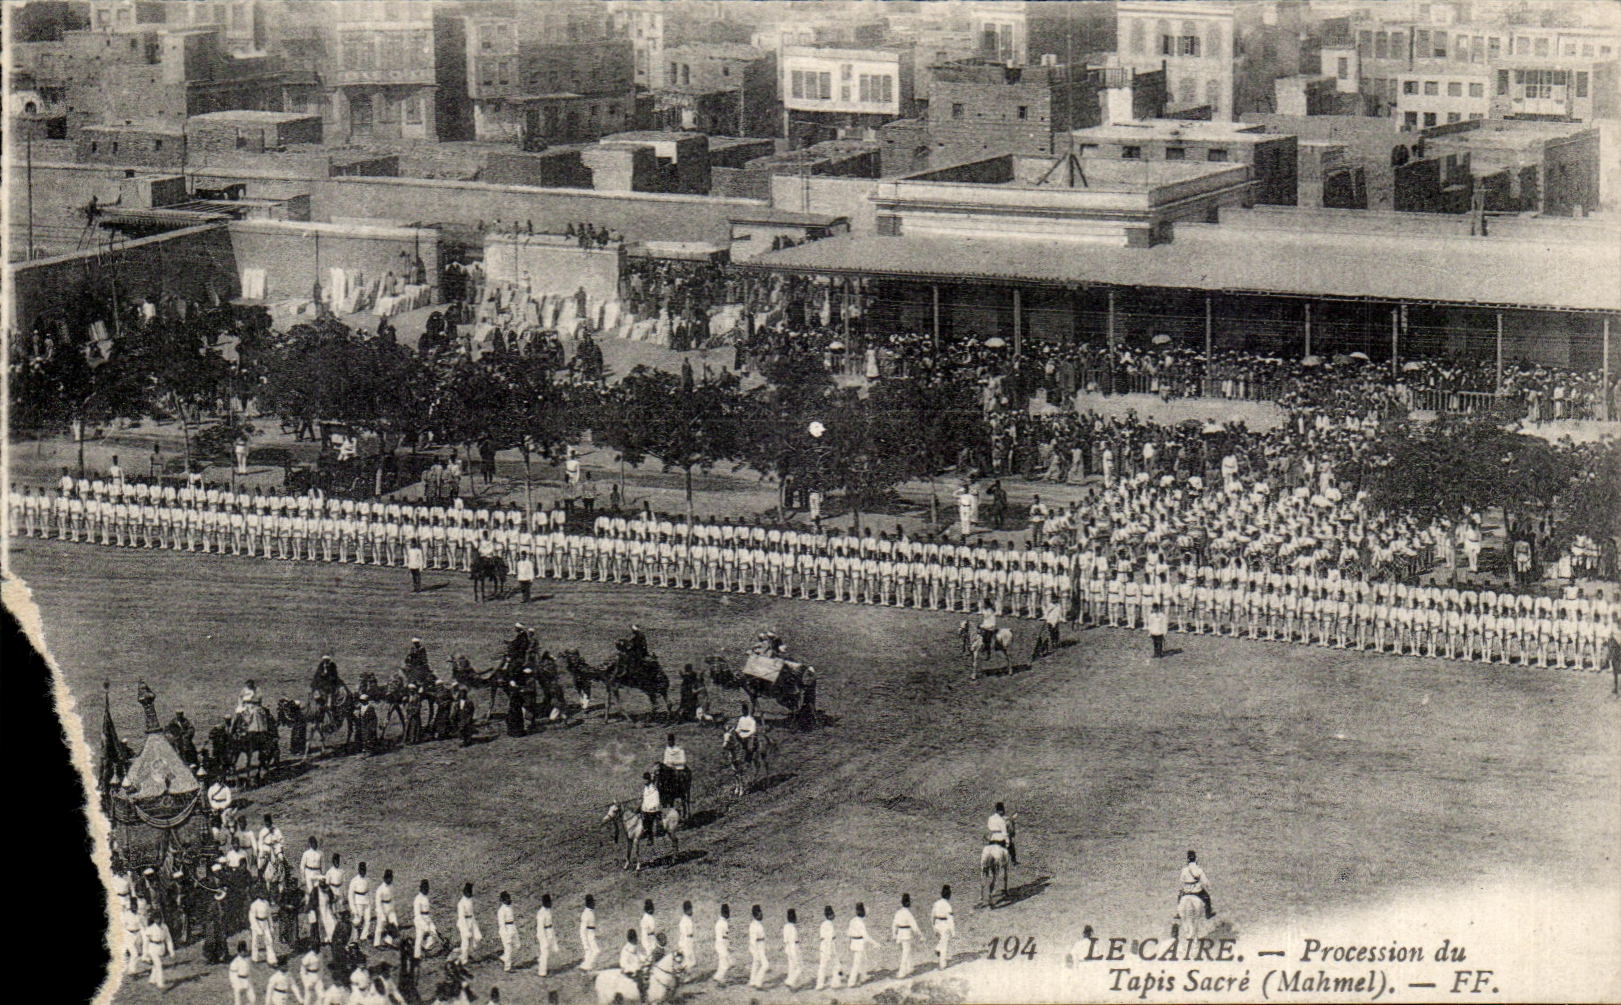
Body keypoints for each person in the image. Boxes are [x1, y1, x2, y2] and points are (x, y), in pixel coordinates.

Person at [1181, 850, 1215, 919]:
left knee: (1179, 896)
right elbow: (1205, 882)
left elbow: (1182, 880)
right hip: (1197, 892)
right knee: (1207, 898)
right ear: (1196, 859)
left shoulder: (1184, 870)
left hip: (1186, 891)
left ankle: (1178, 913)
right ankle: (1208, 914)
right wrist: (1208, 886)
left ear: (1187, 859)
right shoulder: (1199, 869)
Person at [892, 893, 918, 979]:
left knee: (906, 950)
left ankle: (909, 968)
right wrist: (920, 935)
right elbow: (914, 926)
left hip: (900, 934)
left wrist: (894, 934)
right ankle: (901, 972)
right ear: (909, 903)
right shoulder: (908, 913)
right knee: (906, 952)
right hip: (906, 934)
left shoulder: (898, 913)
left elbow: (894, 924)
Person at [456, 883, 483, 965]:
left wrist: (475, 926)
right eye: (468, 892)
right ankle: (464, 960)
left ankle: (469, 953)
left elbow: (472, 914)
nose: (470, 893)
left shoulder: (470, 900)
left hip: (471, 921)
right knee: (465, 942)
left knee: (478, 938)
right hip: (463, 923)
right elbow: (461, 918)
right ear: (465, 892)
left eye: (470, 891)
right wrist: (466, 930)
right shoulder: (461, 903)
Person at [931, 885, 955, 972]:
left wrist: (933, 926)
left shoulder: (936, 903)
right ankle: (942, 965)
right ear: (949, 895)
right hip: (944, 924)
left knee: (942, 940)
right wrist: (953, 931)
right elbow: (950, 919)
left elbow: (932, 916)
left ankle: (938, 948)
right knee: (944, 944)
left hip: (937, 923)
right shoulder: (948, 906)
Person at [846, 902, 869, 988]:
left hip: (854, 943)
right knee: (857, 963)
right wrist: (875, 943)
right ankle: (851, 982)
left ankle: (864, 976)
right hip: (859, 944)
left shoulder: (852, 920)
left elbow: (848, 933)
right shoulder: (861, 923)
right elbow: (865, 936)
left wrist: (850, 942)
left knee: (864, 959)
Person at [747, 904, 770, 989]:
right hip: (757, 947)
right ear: (755, 914)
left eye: (761, 912)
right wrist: (755, 951)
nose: (761, 914)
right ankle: (758, 982)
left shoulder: (758, 924)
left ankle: (752, 981)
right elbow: (753, 940)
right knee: (765, 965)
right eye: (759, 912)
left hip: (761, 945)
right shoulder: (754, 925)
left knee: (756, 963)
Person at [496, 891, 516, 972]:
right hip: (505, 929)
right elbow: (501, 924)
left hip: (513, 928)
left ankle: (504, 957)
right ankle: (507, 967)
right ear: (502, 900)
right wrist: (506, 935)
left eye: (509, 898)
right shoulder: (501, 911)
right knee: (508, 948)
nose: (508, 900)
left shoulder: (510, 906)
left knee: (517, 946)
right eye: (506, 898)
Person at [782, 908, 802, 990]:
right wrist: (796, 952)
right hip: (794, 947)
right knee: (799, 968)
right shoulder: (793, 928)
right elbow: (793, 941)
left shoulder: (785, 927)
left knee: (791, 967)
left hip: (787, 948)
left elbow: (785, 940)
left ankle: (789, 980)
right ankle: (790, 982)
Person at [712, 903, 731, 986]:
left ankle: (717, 976)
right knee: (726, 963)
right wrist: (723, 947)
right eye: (727, 912)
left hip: (723, 944)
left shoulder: (723, 922)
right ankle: (720, 978)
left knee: (722, 962)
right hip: (721, 944)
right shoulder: (721, 923)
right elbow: (721, 937)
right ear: (724, 913)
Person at [677, 901, 696, 975]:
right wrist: (683, 945)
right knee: (687, 959)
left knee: (691, 961)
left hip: (689, 941)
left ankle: (684, 974)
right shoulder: (683, 921)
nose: (692, 911)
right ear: (686, 910)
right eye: (690, 909)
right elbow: (683, 934)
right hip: (685, 941)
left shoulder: (688, 919)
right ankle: (682, 975)